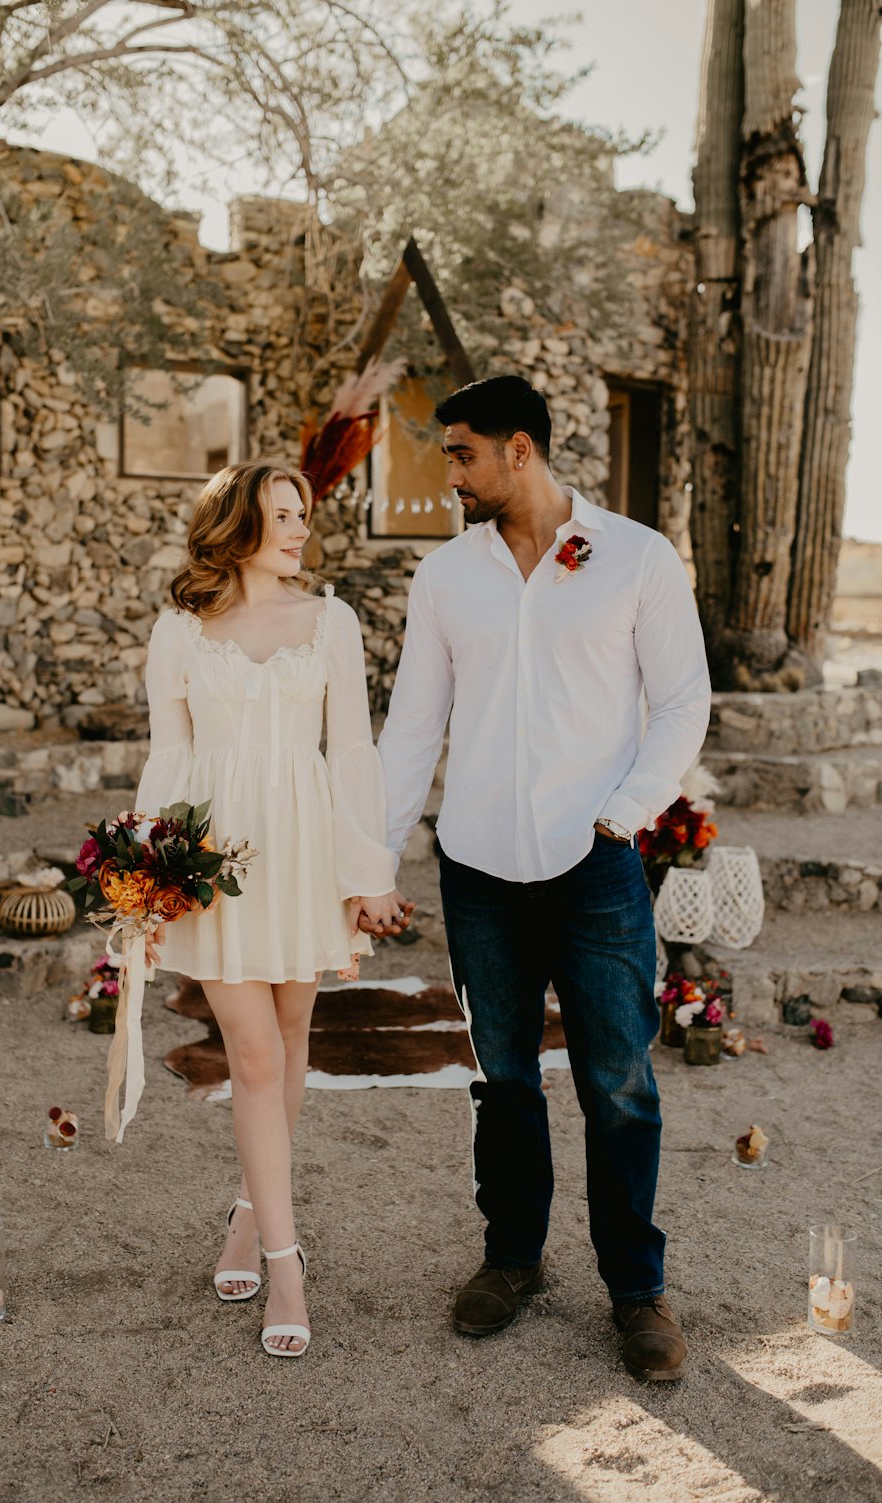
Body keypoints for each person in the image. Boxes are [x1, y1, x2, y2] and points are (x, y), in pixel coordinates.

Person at [375, 375, 711, 1381]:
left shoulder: (634, 559)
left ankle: (636, 1291)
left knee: (618, 1082)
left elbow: (681, 700)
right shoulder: (445, 578)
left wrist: (628, 809)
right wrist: (372, 858)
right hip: (476, 865)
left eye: (462, 452)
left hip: (595, 863)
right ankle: (511, 1259)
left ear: (519, 450)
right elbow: (411, 727)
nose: (450, 473)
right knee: (502, 1079)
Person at [137, 462, 411, 1358]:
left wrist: (368, 872)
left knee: (291, 1041)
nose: (300, 528)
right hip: (214, 860)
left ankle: (249, 1216)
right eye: (282, 514)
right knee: (253, 1053)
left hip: (302, 852)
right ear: (237, 524)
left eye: (303, 514)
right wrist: (145, 870)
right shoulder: (180, 628)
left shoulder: (332, 621)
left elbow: (355, 751)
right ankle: (288, 1266)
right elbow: (169, 757)